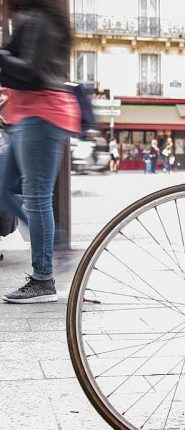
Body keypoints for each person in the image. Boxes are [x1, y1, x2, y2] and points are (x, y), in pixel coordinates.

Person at [0, 0, 81, 303]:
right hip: (26, 117)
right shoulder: (34, 18)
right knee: (3, 189)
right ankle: (55, 243)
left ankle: (43, 278)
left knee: (36, 198)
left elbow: (32, 71)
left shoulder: (39, 19)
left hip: (42, 117)